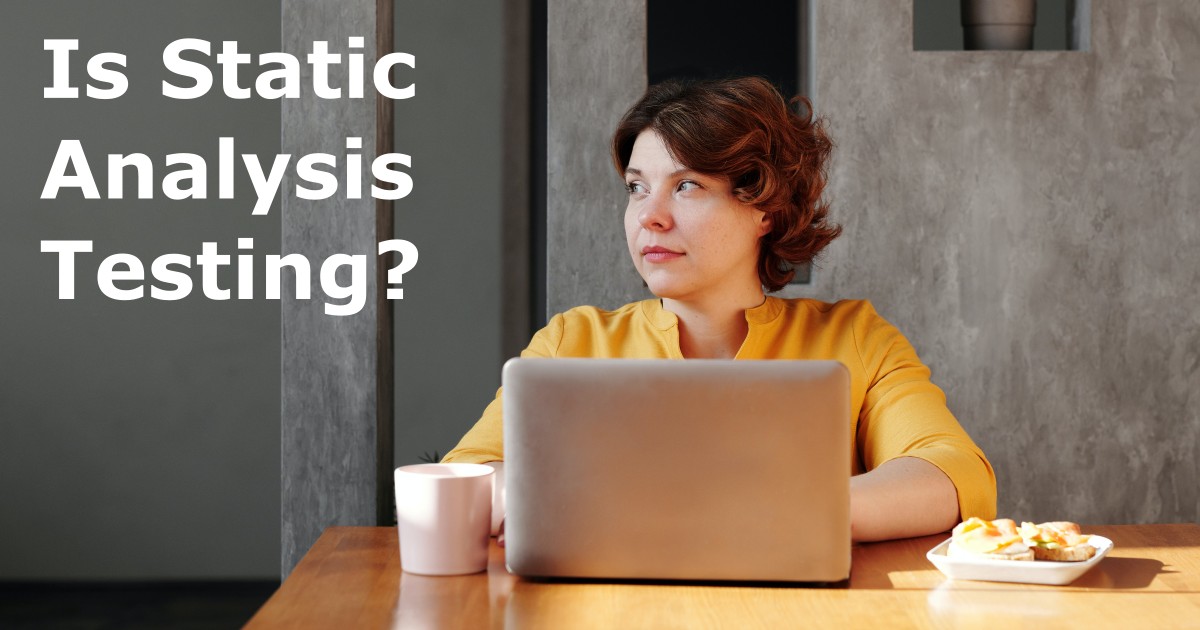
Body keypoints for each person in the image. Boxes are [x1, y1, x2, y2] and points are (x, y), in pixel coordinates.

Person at [443, 77, 996, 543]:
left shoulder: (854, 337)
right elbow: (461, 477)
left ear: (766, 209)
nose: (649, 217)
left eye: (686, 185)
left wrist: (759, 513)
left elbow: (954, 474)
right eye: (637, 188)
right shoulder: (572, 341)